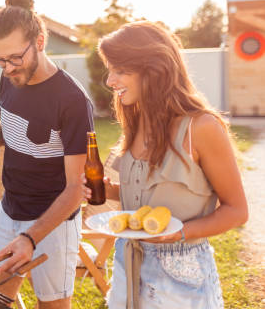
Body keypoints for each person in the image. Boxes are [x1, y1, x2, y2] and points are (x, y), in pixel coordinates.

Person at [0, 0, 94, 309]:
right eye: (0, 60)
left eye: (16, 57)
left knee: (52, 307)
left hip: (52, 221)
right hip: (8, 210)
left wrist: (31, 238)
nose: (9, 68)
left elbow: (76, 189)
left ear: (40, 41)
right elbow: (11, 125)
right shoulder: (9, 77)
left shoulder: (71, 101)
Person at [93, 21, 248, 308]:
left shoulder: (201, 127)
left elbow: (237, 211)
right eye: (110, 69)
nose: (110, 81)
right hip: (128, 262)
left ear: (155, 70)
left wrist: (180, 234)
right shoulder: (136, 120)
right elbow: (148, 197)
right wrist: (109, 191)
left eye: (121, 70)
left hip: (181, 277)